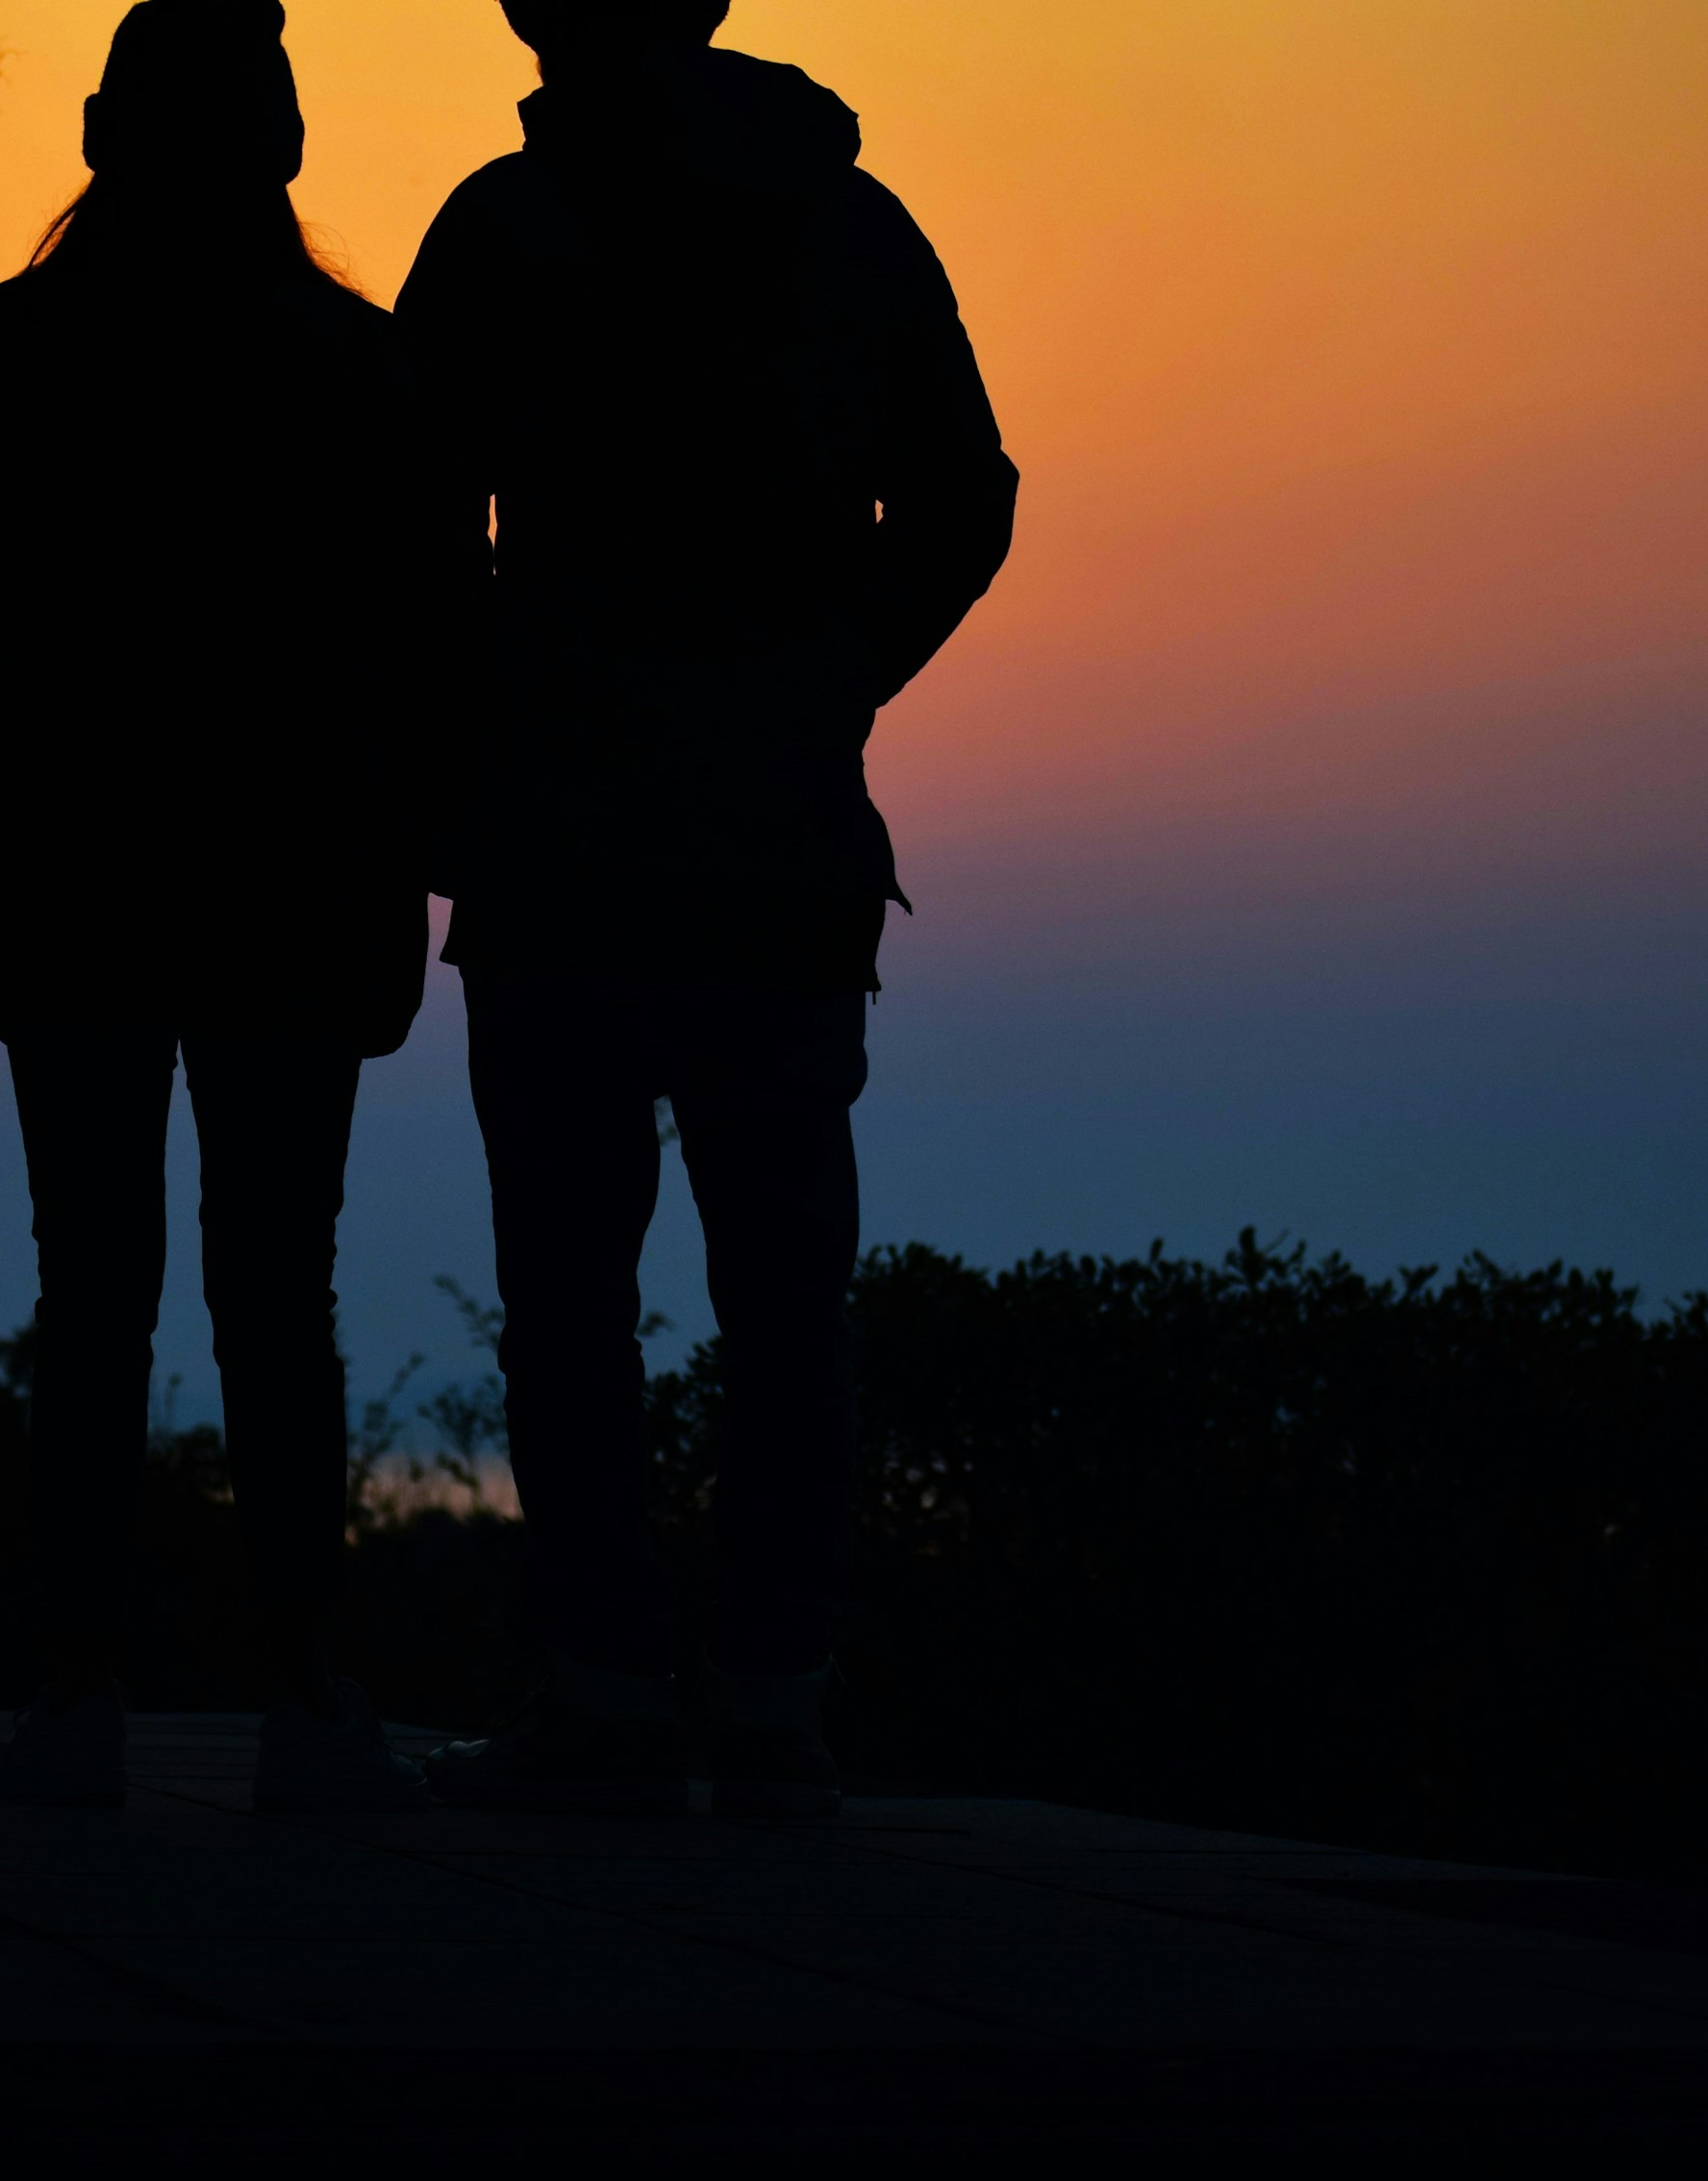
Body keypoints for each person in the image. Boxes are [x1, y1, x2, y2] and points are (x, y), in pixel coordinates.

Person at [400, 1, 1017, 1813]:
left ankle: (603, 1698)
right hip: (767, 839)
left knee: (576, 1285)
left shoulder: (507, 229)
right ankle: (771, 1708)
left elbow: (411, 524)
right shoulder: (850, 219)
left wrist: (490, 716)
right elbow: (966, 498)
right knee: (780, 1289)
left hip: (572, 842)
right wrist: (825, 682)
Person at [0, 0, 482, 1811]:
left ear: (95, 134)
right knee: (273, 1289)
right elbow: (447, 637)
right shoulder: (356, 367)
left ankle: (85, 1686)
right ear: (280, 149)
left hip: (87, 885)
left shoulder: (18, 348)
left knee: (102, 1285)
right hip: (276, 887)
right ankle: (304, 1686)